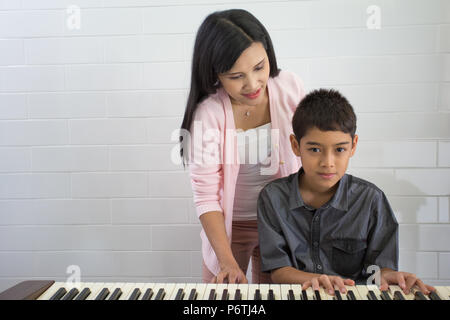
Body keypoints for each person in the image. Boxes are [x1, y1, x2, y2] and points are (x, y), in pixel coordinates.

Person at [257, 88, 436, 296]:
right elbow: (279, 271)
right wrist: (315, 280)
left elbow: (377, 272)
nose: (327, 163)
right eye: (315, 149)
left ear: (353, 146)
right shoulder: (272, 198)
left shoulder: (371, 200)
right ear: (296, 146)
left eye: (339, 149)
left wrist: (387, 276)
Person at [179, 9, 305, 284]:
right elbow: (206, 197)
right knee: (222, 297)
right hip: (229, 230)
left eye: (259, 67)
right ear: (216, 74)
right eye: (236, 76)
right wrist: (227, 263)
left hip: (281, 226)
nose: (253, 84)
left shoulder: (290, 87)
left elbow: (313, 150)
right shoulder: (208, 113)